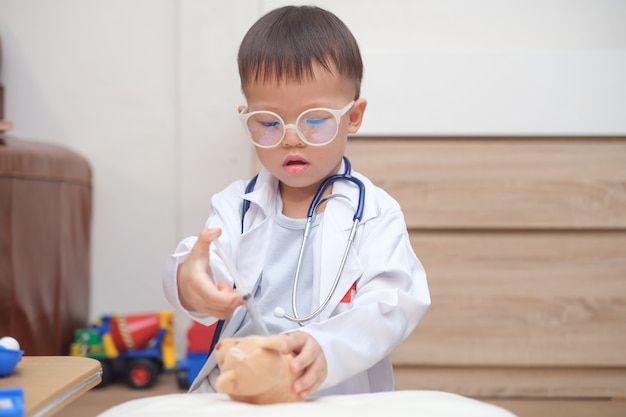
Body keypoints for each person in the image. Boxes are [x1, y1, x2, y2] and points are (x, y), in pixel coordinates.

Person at [163, 5, 430, 399]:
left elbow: (392, 305)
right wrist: (191, 282)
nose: (291, 138)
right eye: (269, 122)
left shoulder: (375, 214)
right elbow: (207, 264)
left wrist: (328, 347)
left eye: (315, 119)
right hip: (239, 390)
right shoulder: (236, 206)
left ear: (353, 117)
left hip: (328, 391)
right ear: (247, 117)